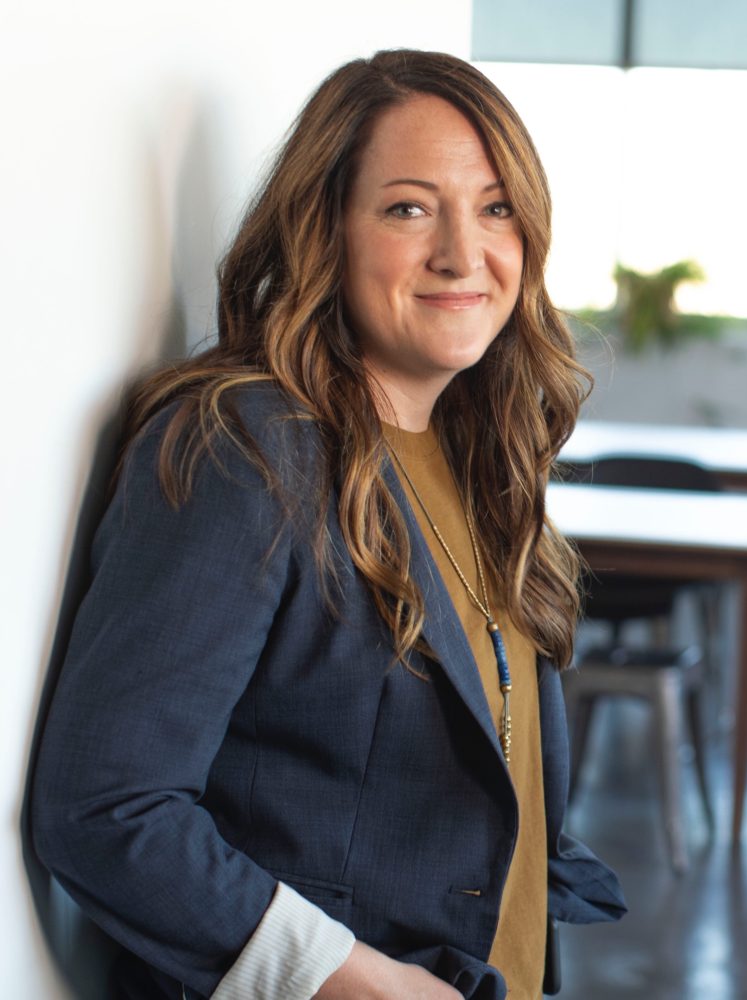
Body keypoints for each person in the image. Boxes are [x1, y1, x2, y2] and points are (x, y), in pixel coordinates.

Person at [29, 49, 624, 1000]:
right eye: (408, 207)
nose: (463, 255)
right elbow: (105, 805)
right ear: (327, 230)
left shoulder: (483, 455)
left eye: (496, 206)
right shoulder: (247, 447)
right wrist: (355, 981)